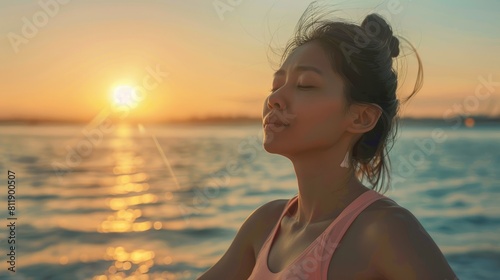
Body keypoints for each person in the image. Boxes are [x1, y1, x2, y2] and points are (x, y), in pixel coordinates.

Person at [198, 3, 458, 280]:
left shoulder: (386, 231)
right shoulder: (265, 224)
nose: (275, 99)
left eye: (306, 85)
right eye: (276, 85)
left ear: (361, 118)